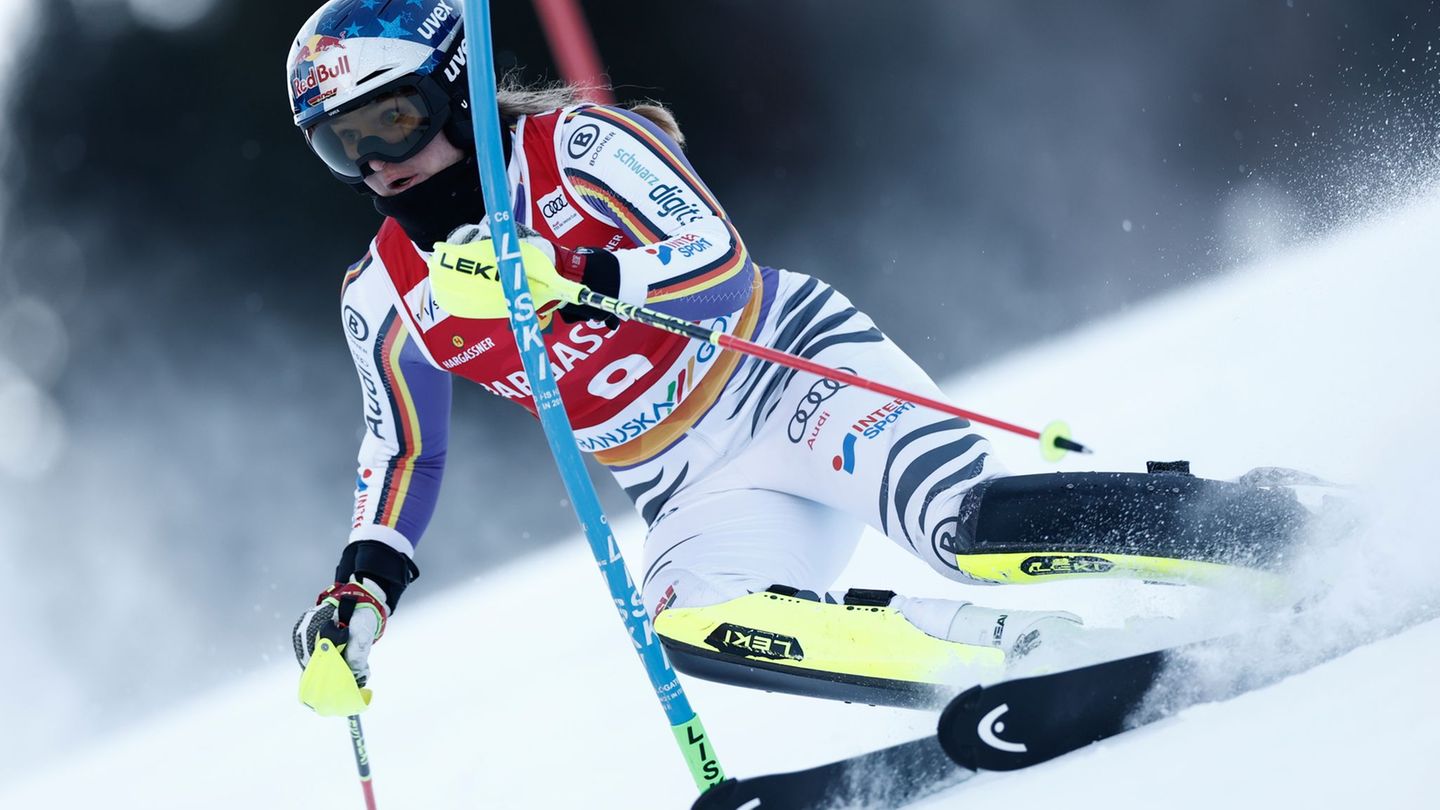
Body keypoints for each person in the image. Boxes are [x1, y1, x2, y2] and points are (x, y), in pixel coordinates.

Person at [288, 0, 1315, 707]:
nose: (378, 164)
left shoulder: (581, 147)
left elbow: (717, 265)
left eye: (393, 121)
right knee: (698, 628)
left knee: (967, 531)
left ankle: (1262, 528)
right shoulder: (382, 297)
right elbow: (406, 451)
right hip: (684, 482)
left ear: (454, 89)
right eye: (343, 145)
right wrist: (361, 591)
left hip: (787, 375)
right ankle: (1020, 661)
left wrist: (570, 272)